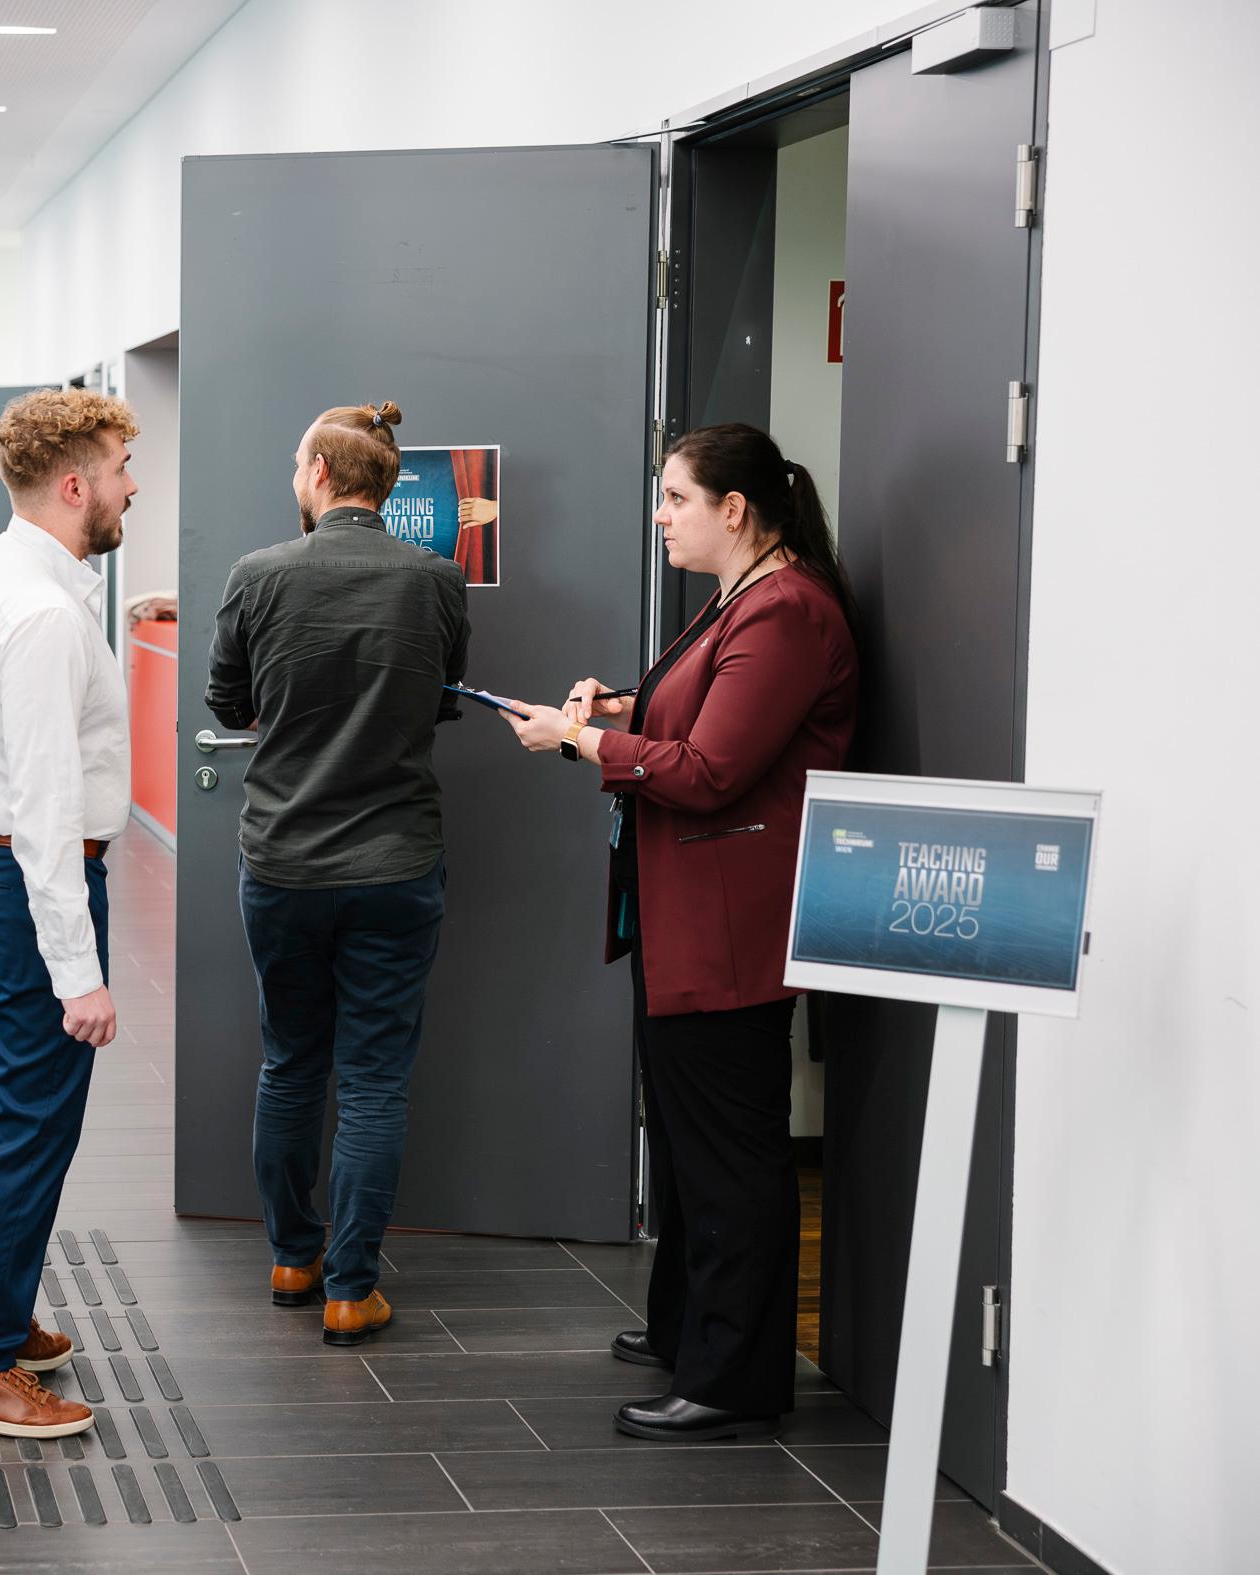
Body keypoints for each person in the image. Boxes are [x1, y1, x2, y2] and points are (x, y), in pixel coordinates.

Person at [493, 422, 859, 1441]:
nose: (660, 516)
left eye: (674, 498)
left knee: (730, 1157)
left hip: (731, 921)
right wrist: (616, 708)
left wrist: (580, 740)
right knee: (693, 1141)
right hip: (686, 907)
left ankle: (734, 1378)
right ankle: (685, 1332)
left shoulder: (784, 611)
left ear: (732, 510)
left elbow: (709, 773)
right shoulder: (744, 600)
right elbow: (696, 725)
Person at [205, 401, 469, 1347]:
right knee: (373, 1081)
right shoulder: (437, 579)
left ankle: (292, 1255)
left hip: (283, 859)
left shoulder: (259, 574)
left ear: (319, 471)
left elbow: (227, 700)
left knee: (290, 1062)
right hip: (397, 859)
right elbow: (442, 703)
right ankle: (353, 1289)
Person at [0, 387, 137, 1441]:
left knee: (26, 1122)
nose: (132, 486)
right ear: (73, 484)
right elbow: (46, 806)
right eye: (120, 470)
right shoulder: (44, 610)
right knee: (29, 1128)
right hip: (20, 872)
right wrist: (79, 971)